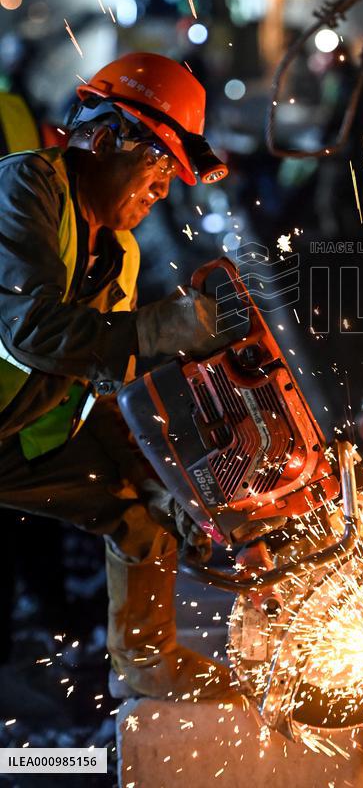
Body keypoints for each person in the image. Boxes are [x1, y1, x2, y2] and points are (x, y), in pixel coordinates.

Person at [0, 52, 239, 701]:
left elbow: (99, 385)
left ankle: (147, 662)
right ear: (105, 140)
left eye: (170, 177)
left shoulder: (119, 253)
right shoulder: (25, 186)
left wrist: (155, 479)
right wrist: (165, 329)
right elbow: (30, 332)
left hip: (13, 438)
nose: (162, 190)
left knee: (140, 515)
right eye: (158, 164)